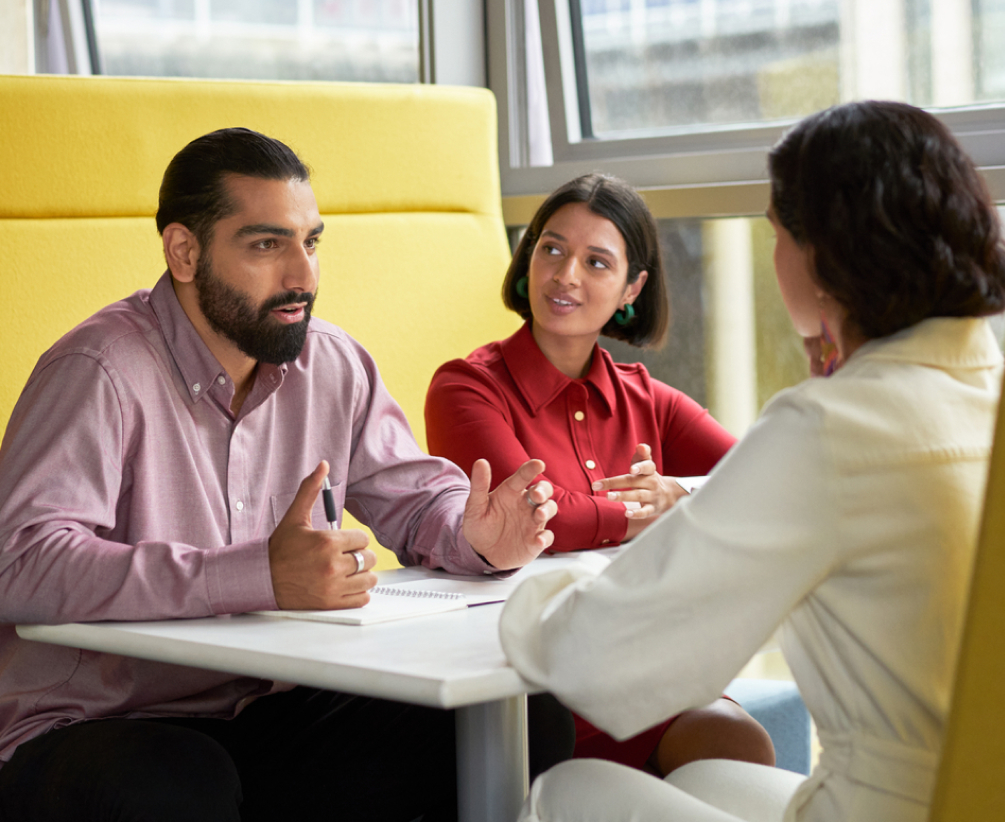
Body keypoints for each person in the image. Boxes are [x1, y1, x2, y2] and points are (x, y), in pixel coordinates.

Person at [0, 127, 561, 822]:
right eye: (266, 245)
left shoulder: (333, 364)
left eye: (311, 242)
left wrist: (475, 534)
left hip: (269, 707)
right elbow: (21, 564)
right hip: (97, 724)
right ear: (184, 252)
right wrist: (255, 574)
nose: (303, 276)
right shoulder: (99, 370)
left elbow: (418, 499)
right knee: (176, 784)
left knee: (523, 715)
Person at [498, 100, 1005, 822]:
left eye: (776, 236)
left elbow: (591, 663)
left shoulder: (830, 427)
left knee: (563, 791)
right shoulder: (987, 395)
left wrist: (545, 595)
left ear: (821, 257)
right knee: (708, 781)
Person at [425, 174, 774, 777]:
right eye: (552, 249)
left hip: (639, 661)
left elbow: (766, 486)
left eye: (596, 261)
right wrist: (654, 513)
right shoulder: (464, 388)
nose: (566, 276)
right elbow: (536, 518)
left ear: (632, 287)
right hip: (520, 679)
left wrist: (676, 497)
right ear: (527, 258)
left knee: (738, 744)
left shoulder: (650, 399)